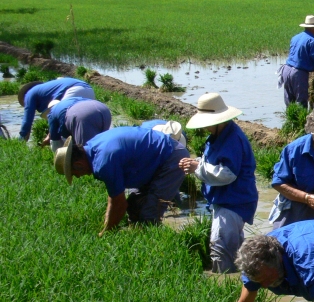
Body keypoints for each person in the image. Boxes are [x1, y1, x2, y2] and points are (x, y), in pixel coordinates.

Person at [54, 126, 189, 236]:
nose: (78, 176)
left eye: (74, 173)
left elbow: (118, 204)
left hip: (171, 158)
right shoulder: (93, 145)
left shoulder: (103, 163)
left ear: (78, 165)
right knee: (134, 205)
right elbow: (114, 197)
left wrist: (106, 233)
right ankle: (139, 238)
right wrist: (107, 224)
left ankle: (156, 247)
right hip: (154, 159)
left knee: (150, 213)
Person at [179, 93, 258, 273]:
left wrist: (197, 167)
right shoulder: (218, 136)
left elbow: (227, 174)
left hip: (234, 201)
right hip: (226, 200)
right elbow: (215, 163)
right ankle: (238, 281)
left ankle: (223, 282)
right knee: (234, 250)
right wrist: (196, 163)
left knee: (220, 247)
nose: (204, 127)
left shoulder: (232, 139)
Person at [18, 77, 96, 141]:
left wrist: (22, 137)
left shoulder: (29, 94)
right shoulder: (49, 89)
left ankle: (63, 154)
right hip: (89, 90)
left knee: (64, 126)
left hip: (74, 90)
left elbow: (28, 119)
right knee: (79, 122)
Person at [41, 97, 111, 151]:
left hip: (82, 115)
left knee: (85, 151)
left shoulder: (52, 113)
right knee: (102, 143)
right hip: (103, 109)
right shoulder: (70, 101)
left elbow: (55, 143)